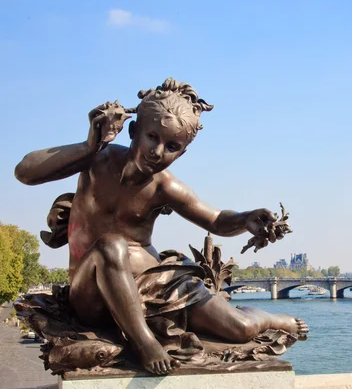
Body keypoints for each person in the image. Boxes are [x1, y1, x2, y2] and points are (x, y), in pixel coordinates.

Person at [14, 78, 308, 375]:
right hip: (92, 291)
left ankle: (270, 319)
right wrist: (89, 145)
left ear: (181, 153)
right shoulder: (98, 159)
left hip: (156, 283)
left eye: (172, 147)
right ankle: (145, 343)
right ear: (133, 131)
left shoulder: (164, 187)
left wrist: (245, 218)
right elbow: (25, 172)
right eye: (152, 136)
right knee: (110, 245)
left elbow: (216, 219)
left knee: (240, 328)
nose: (158, 151)